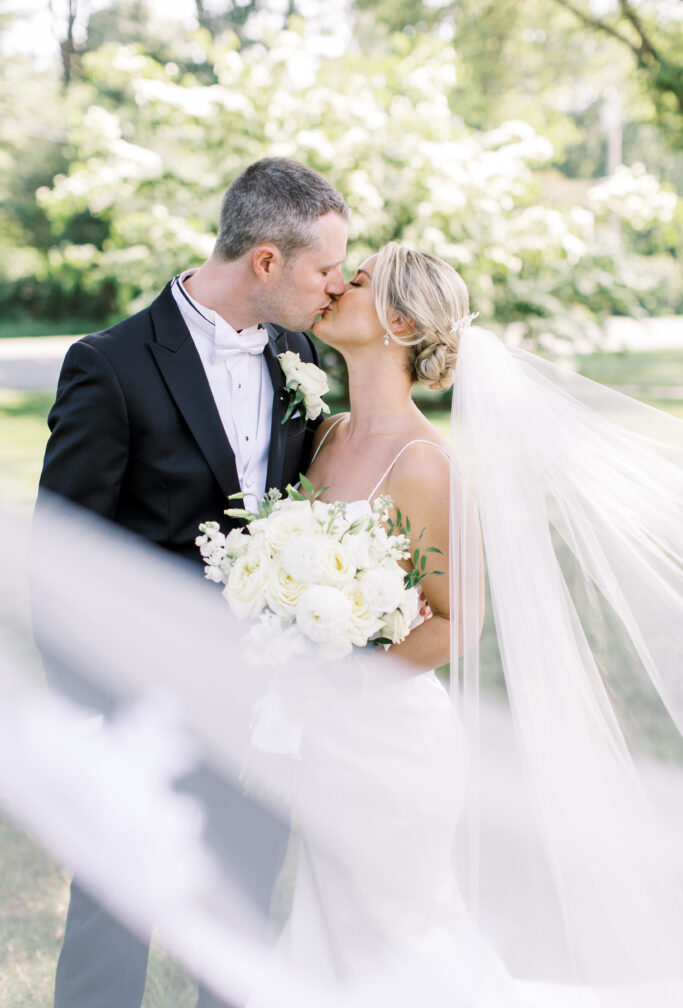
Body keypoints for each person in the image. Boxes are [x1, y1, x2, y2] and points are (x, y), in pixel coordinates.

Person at [243, 241, 683, 1007]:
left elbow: (457, 622)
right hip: (326, 742)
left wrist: (335, 683)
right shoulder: (326, 434)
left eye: (360, 279)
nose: (339, 284)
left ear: (400, 324)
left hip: (390, 745)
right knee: (334, 933)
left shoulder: (424, 462)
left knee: (397, 933)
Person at [37, 157, 349, 1008]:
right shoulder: (111, 364)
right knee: (113, 919)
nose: (338, 284)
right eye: (326, 268)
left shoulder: (299, 356)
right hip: (139, 701)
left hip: (260, 708)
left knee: (242, 916)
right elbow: (61, 552)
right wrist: (91, 709)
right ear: (265, 262)